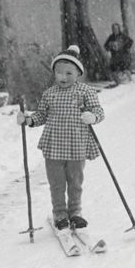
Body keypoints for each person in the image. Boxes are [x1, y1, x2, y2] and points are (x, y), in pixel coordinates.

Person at [16, 45, 105, 230]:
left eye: (69, 73)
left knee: (75, 182)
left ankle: (75, 212)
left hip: (77, 145)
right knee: (57, 183)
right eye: (59, 72)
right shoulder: (49, 94)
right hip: (54, 146)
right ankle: (60, 214)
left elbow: (99, 111)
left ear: (78, 73)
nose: (63, 77)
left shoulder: (86, 91)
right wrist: (28, 120)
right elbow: (41, 115)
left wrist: (93, 117)